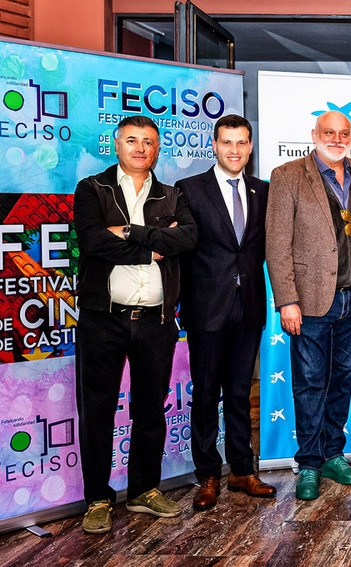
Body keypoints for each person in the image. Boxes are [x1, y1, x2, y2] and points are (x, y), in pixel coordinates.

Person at [74, 115, 198, 533]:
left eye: (148, 141)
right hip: (103, 319)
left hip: (157, 321)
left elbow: (187, 239)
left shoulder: (171, 193)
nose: (141, 148)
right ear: (116, 143)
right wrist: (151, 247)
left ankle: (144, 490)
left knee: (149, 410)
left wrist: (127, 231)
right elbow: (93, 241)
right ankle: (98, 499)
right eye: (132, 140)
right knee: (97, 410)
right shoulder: (93, 188)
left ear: (158, 148)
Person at [265, 110, 351, 500]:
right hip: (309, 300)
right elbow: (277, 244)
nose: (336, 138)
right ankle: (309, 461)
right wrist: (287, 301)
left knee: (342, 378)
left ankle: (333, 453)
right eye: (328, 132)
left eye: (343, 133)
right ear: (314, 134)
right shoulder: (288, 176)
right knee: (310, 382)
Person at [177, 114, 276, 511]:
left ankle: (241, 470)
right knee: (205, 395)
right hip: (206, 309)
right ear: (214, 145)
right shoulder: (189, 190)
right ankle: (208, 475)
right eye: (227, 143)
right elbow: (182, 250)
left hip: (249, 307)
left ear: (250, 147)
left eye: (242, 143)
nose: (235, 150)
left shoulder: (262, 191)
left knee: (239, 394)